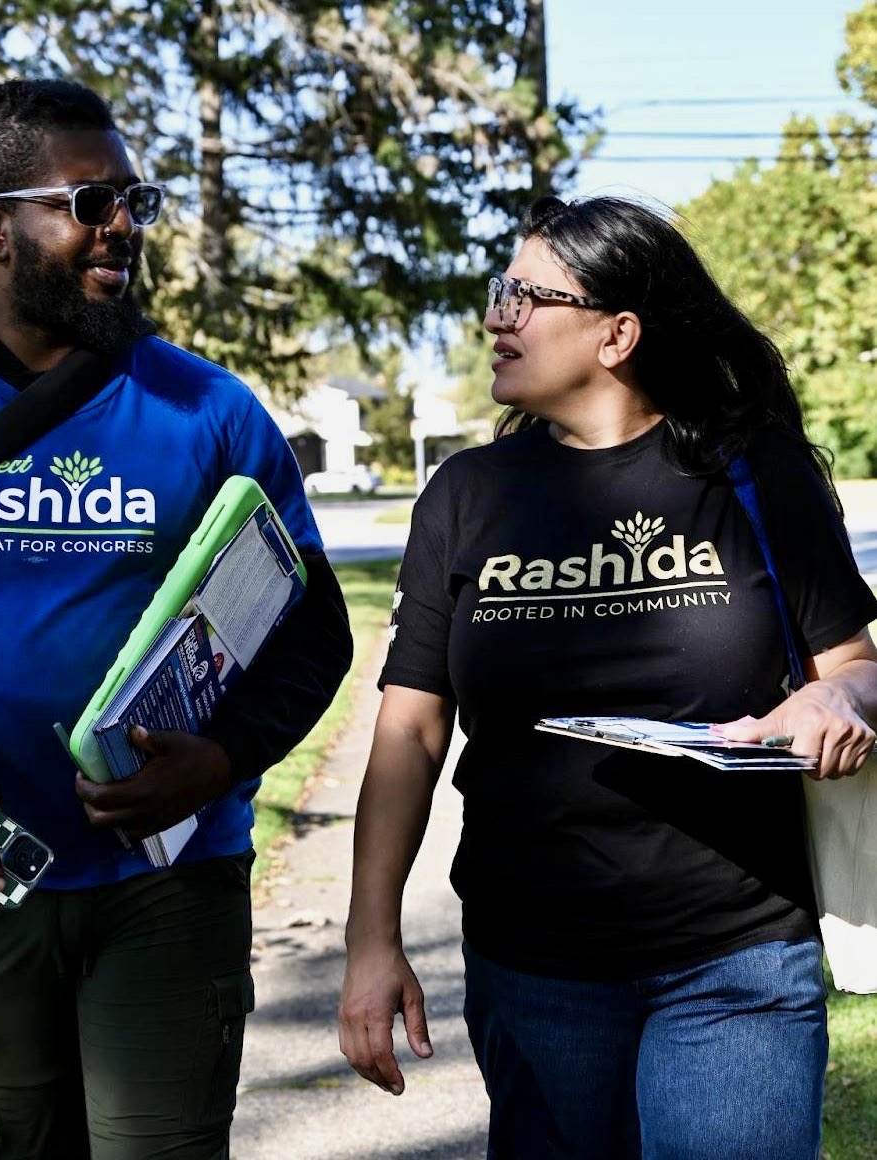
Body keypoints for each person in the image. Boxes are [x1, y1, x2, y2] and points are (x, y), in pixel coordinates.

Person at [0, 79, 352, 1160]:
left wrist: (226, 756)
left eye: (133, 200)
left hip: (171, 881)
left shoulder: (207, 408)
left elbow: (313, 630)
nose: (124, 227)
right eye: (90, 200)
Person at [337, 195, 877, 1160]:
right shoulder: (466, 497)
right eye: (498, 293)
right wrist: (371, 941)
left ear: (618, 333)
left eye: (523, 295)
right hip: (531, 961)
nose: (496, 317)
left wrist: (839, 698)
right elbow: (410, 733)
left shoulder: (753, 474)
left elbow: (857, 669)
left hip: (736, 955)